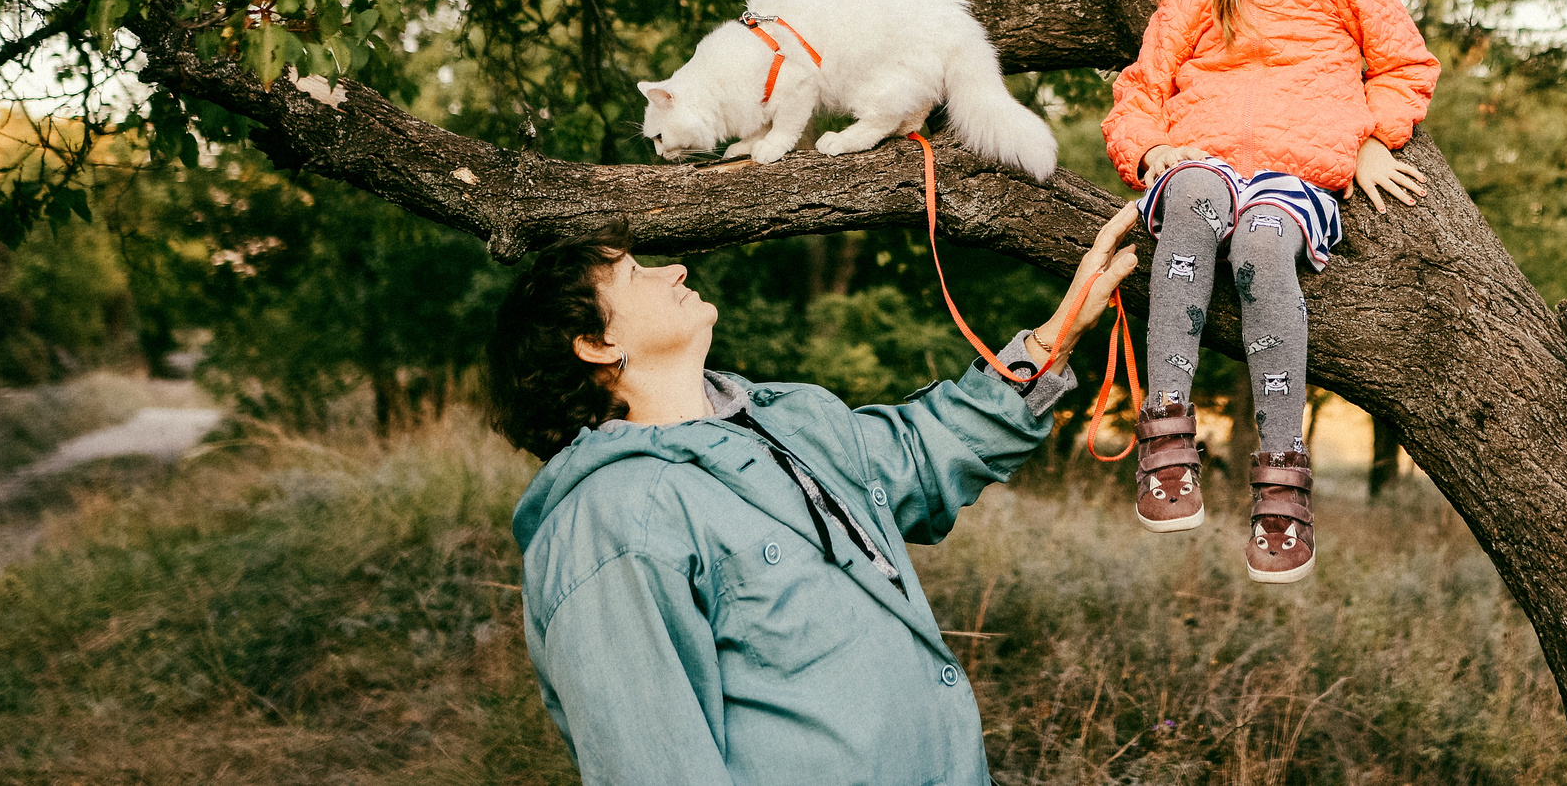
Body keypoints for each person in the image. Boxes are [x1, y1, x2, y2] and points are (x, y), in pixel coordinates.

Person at [487, 208, 1137, 786]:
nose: (675, 269)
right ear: (596, 342)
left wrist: (1054, 339)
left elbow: (918, 452)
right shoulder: (611, 524)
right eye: (635, 273)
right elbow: (653, 765)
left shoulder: (790, 415)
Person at [1101, 0, 1440, 583]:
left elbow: (1404, 65)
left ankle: (1283, 476)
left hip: (1296, 176)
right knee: (1189, 198)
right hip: (1204, 160)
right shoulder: (1186, 0)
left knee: (1259, 246)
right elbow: (1139, 95)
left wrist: (1370, 139)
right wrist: (1151, 149)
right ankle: (1166, 436)